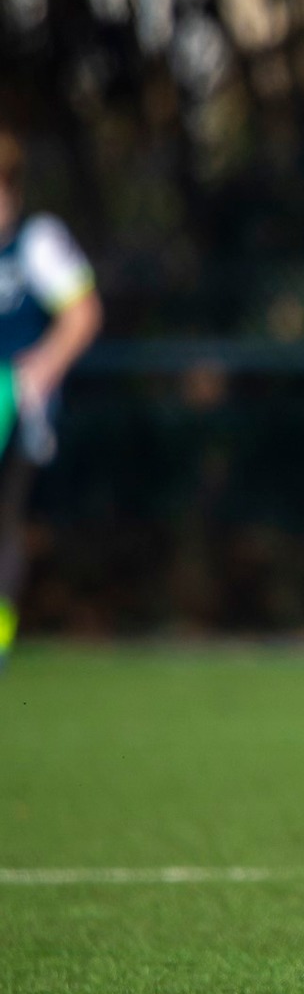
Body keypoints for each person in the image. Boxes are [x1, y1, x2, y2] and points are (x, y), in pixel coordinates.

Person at [0, 132, 103, 665]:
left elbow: (82, 313)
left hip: (19, 409)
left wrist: (40, 367)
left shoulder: (36, 242)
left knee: (5, 518)